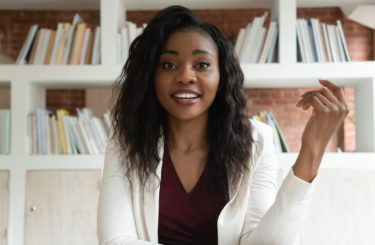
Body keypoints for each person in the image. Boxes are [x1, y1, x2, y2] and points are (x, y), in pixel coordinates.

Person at [97, 5, 349, 245]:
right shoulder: (126, 139)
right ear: (151, 77)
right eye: (168, 65)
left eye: (202, 65)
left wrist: (312, 151)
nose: (185, 76)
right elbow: (114, 240)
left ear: (222, 76)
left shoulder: (257, 141)